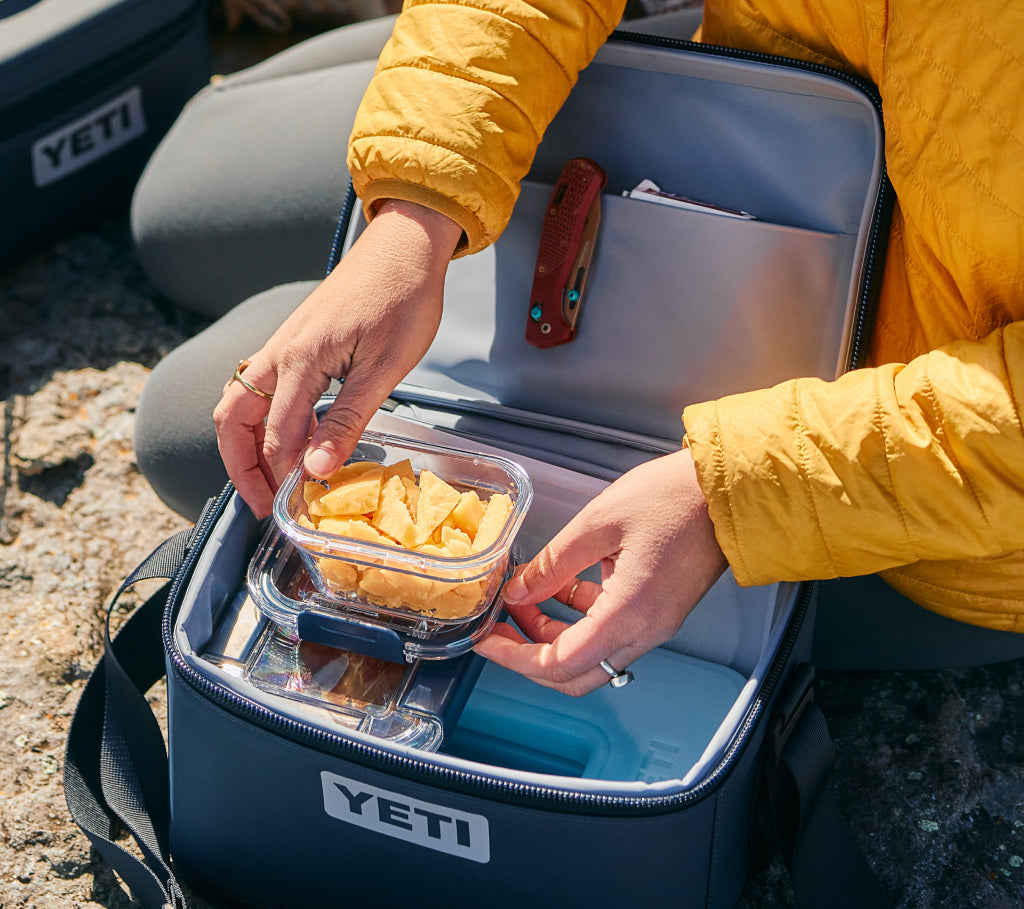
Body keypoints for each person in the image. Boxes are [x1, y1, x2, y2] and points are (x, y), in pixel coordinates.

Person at [132, 0, 1024, 691]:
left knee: (187, 426)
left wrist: (740, 496)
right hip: (780, 118)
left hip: (934, 488)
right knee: (178, 210)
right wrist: (417, 206)